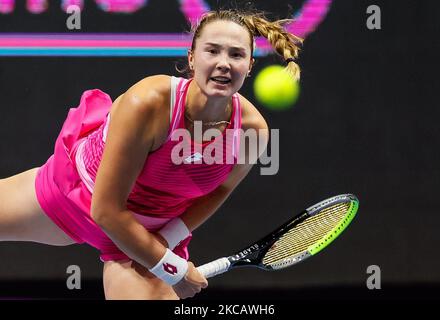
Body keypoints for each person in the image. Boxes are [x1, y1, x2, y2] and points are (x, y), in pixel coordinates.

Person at [0, 9, 302, 300]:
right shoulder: (147, 103)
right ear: (192, 58)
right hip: (74, 198)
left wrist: (163, 243)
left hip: (150, 233)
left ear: (249, 65)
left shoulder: (251, 131)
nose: (224, 63)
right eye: (212, 51)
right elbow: (105, 210)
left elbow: (220, 190)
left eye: (236, 54)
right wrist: (171, 268)